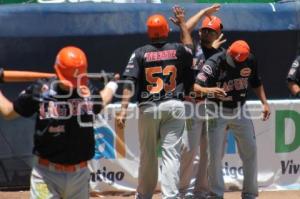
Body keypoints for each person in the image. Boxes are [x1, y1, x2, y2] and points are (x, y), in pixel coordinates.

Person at [0, 46, 119, 199]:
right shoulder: (40, 91)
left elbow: (102, 100)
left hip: (80, 174)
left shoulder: (86, 90)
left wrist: (112, 84)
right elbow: (8, 112)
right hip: (46, 175)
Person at [116, 6, 194, 199]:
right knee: (171, 155)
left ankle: (144, 196)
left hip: (149, 107)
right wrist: (183, 24)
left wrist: (123, 109)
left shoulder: (139, 53)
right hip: (174, 106)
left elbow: (129, 81)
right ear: (167, 30)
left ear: (148, 33)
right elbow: (190, 50)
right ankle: (170, 196)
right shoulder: (177, 50)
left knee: (149, 156)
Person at [193, 40, 270, 199]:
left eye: (240, 61)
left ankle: (249, 194)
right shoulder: (214, 61)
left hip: (240, 109)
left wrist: (265, 102)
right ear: (229, 52)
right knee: (213, 154)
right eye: (235, 60)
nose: (237, 63)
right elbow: (196, 87)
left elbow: (256, 82)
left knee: (251, 149)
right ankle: (216, 194)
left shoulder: (250, 60)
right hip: (216, 109)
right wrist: (209, 90)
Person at [179, 4, 227, 199]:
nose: (206, 34)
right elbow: (185, 30)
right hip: (191, 104)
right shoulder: (191, 49)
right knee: (189, 151)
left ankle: (202, 192)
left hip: (211, 107)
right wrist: (202, 13)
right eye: (204, 30)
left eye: (211, 31)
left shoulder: (221, 55)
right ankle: (184, 192)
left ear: (218, 34)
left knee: (209, 152)